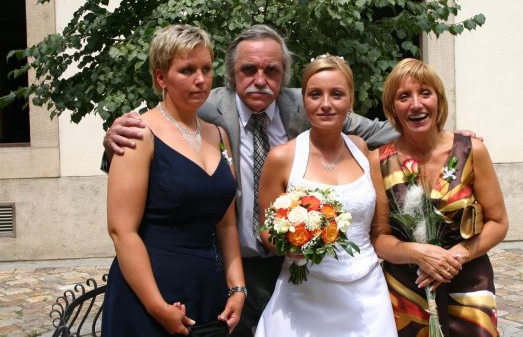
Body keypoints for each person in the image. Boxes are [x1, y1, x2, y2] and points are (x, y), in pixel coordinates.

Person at [102, 24, 397, 336]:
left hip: (295, 273)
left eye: (271, 70)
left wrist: (432, 129)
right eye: (248, 69)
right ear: (231, 74)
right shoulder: (205, 105)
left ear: (284, 75)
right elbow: (152, 137)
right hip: (227, 269)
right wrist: (112, 142)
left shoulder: (311, 102)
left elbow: (387, 130)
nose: (260, 80)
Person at [101, 24, 245, 336]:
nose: (200, 79)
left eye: (206, 68)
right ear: (161, 77)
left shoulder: (219, 134)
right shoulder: (138, 134)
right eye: (187, 70)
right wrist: (156, 306)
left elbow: (226, 224)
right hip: (150, 295)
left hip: (208, 292)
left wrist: (237, 287)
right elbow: (121, 231)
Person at [255, 54, 397, 337]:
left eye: (337, 94)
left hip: (366, 293)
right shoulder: (282, 158)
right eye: (315, 94)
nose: (326, 104)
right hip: (305, 294)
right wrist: (291, 243)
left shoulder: (362, 150)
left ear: (350, 100)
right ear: (304, 100)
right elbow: (266, 231)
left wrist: (453, 137)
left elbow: (379, 228)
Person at [370, 58, 509, 336]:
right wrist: (418, 253)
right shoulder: (379, 161)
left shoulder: (472, 151)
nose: (416, 104)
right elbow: (379, 238)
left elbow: (498, 222)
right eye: (404, 97)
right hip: (409, 286)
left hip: (468, 279)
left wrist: (455, 256)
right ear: (393, 108)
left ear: (439, 100)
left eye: (425, 93)